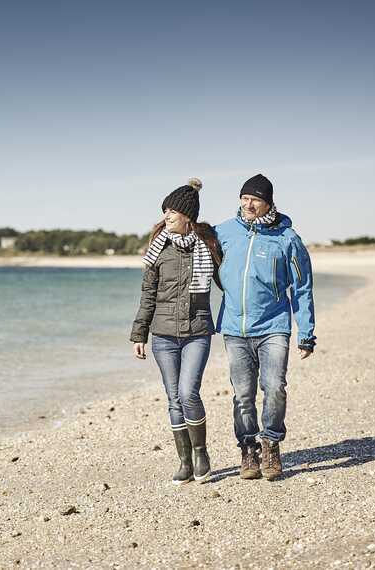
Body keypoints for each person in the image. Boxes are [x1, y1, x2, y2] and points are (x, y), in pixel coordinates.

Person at [215, 173, 316, 481]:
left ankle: (271, 443)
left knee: (274, 388)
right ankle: (248, 450)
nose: (247, 204)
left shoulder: (288, 239)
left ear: (268, 203)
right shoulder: (224, 232)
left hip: (274, 326)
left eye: (254, 199)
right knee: (242, 395)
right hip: (234, 327)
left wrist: (307, 332)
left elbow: (302, 287)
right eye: (244, 198)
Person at [130, 178, 222, 485]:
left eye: (172, 211)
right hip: (163, 336)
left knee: (187, 393)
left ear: (187, 216)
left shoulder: (208, 246)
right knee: (173, 399)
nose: (167, 216)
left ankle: (201, 453)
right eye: (165, 210)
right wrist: (139, 334)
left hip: (197, 332)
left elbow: (229, 283)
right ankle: (184, 462)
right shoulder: (159, 249)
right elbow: (148, 295)